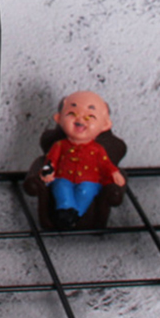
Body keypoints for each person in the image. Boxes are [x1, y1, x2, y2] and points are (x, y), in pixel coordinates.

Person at [40, 90, 125, 229]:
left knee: (86, 191)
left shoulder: (97, 149)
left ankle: (74, 215)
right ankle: (66, 209)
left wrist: (114, 172)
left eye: (90, 116)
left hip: (89, 181)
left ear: (105, 125)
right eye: (72, 114)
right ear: (59, 118)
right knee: (61, 188)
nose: (80, 120)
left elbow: (106, 164)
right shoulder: (59, 145)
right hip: (63, 177)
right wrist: (47, 172)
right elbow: (50, 161)